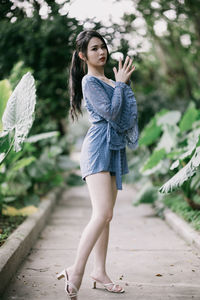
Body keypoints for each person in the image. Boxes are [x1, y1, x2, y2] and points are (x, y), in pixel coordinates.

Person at [57, 30, 139, 299]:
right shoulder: (90, 82)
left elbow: (124, 116)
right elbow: (112, 112)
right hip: (97, 148)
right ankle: (76, 270)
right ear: (83, 55)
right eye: (94, 49)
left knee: (107, 216)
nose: (101, 52)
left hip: (114, 149)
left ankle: (100, 271)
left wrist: (120, 84)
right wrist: (122, 84)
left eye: (102, 47)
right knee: (102, 213)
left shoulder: (107, 79)